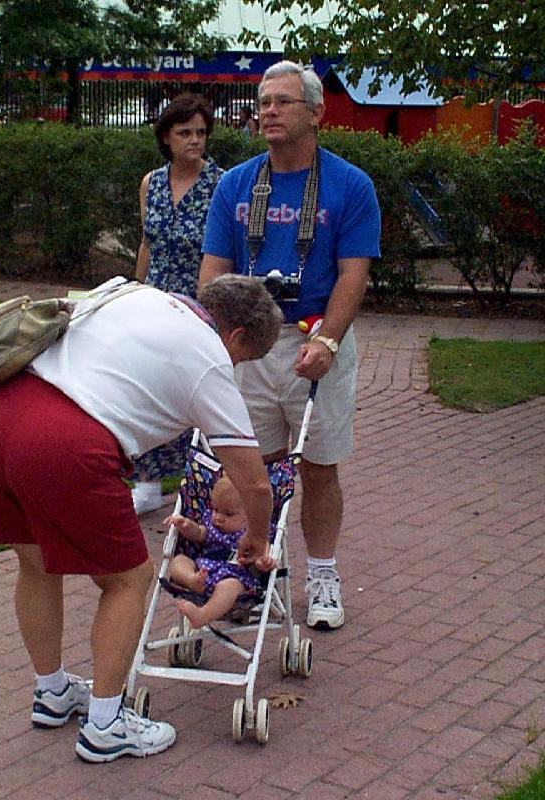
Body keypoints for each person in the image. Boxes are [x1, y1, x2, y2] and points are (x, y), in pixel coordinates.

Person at [0, 274, 283, 763]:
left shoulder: (135, 293)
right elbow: (256, 483)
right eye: (243, 358)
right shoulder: (210, 355)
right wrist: (257, 538)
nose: (235, 367)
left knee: (34, 565)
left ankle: (51, 693)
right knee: (128, 581)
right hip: (64, 441)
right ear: (237, 336)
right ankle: (106, 725)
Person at [199, 61, 381, 632]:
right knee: (258, 468)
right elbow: (213, 273)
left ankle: (323, 575)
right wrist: (218, 338)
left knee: (319, 469)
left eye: (282, 101)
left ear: (316, 113)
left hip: (313, 341)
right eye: (263, 102)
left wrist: (328, 338)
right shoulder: (235, 185)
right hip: (249, 347)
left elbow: (354, 274)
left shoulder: (350, 185)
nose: (268, 111)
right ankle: (260, 571)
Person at [134, 93, 223, 514]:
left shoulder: (220, 184)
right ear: (166, 137)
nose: (194, 141)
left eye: (201, 132)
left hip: (198, 300)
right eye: (185, 132)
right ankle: (147, 480)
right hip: (154, 297)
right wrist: (134, 292)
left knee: (193, 392)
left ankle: (198, 482)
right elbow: (147, 242)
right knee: (149, 386)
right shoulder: (151, 183)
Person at [165, 476, 275, 628]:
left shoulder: (254, 534)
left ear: (251, 516)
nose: (218, 518)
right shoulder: (212, 526)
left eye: (228, 514)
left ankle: (202, 615)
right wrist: (186, 525)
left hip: (235, 574)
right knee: (178, 561)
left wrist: (263, 562)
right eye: (215, 510)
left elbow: (264, 552)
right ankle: (192, 580)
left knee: (229, 586)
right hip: (203, 570)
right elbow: (199, 534)